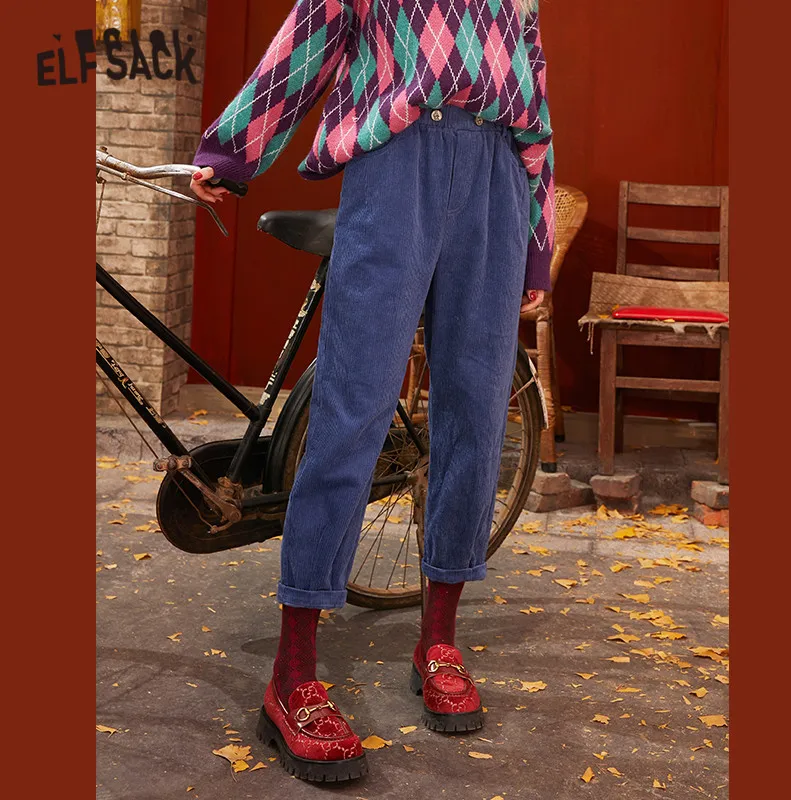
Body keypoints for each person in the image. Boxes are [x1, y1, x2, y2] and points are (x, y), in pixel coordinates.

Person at [191, 0, 554, 783]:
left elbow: (534, 93)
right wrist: (231, 152)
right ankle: (292, 673)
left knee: (477, 414)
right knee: (350, 413)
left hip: (497, 176)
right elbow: (308, 42)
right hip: (395, 166)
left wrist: (537, 238)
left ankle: (439, 642)